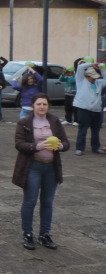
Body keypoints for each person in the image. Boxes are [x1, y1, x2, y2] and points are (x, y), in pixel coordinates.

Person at [13, 93, 70, 250]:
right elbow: (19, 144)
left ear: (48, 106)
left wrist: (61, 146)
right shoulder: (24, 122)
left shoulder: (54, 121)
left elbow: (66, 142)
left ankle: (45, 234)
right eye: (38, 104)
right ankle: (28, 234)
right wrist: (37, 146)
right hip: (33, 166)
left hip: (51, 167)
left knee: (47, 202)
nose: (42, 107)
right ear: (33, 105)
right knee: (30, 201)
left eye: (44, 104)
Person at [72, 63, 106, 155]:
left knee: (96, 130)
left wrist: (102, 70)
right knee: (83, 129)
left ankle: (95, 147)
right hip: (84, 109)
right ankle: (80, 148)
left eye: (96, 77)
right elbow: (80, 67)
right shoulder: (80, 81)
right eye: (92, 77)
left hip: (96, 110)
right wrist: (91, 64)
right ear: (87, 76)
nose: (94, 79)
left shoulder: (99, 82)